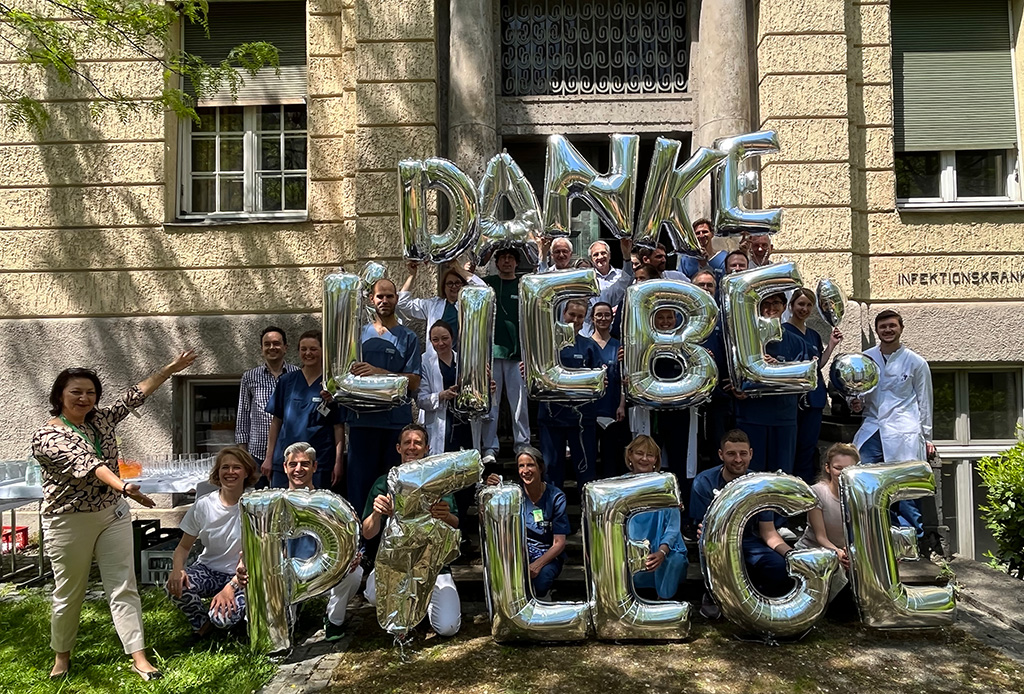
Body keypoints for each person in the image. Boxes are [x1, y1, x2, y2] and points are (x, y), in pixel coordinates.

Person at [31, 351, 197, 681]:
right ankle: (61, 658)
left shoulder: (101, 420)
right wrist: (124, 486)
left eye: (90, 392)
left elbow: (134, 396)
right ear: (59, 396)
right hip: (69, 521)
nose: (84, 398)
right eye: (76, 392)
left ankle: (139, 657)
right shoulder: (48, 436)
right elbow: (90, 466)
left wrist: (170, 369)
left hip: (111, 514)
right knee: (69, 592)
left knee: (123, 584)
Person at [362, 424, 461, 636]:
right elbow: (367, 533)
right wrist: (377, 513)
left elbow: (455, 524)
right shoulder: (383, 483)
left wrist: (446, 515)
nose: (412, 447)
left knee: (448, 628)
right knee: (372, 593)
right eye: (407, 442)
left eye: (418, 443)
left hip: (434, 569)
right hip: (395, 566)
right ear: (398, 448)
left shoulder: (440, 483)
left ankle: (421, 609)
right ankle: (406, 613)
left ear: (427, 449)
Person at [690, 430, 794, 617]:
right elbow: (701, 529)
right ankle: (715, 595)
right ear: (721, 455)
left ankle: (755, 598)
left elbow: (768, 532)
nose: (738, 459)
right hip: (718, 543)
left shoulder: (760, 484)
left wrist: (791, 555)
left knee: (780, 567)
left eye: (743, 454)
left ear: (751, 454)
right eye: (731, 454)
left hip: (751, 543)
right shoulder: (704, 482)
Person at [851, 309, 934, 537]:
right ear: (877, 330)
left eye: (892, 326)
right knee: (864, 479)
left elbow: (925, 400)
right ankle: (873, 535)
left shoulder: (916, 362)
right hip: (873, 426)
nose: (887, 330)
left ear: (901, 328)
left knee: (905, 487)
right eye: (883, 327)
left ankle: (910, 540)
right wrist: (854, 402)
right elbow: (857, 391)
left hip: (904, 429)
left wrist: (927, 438)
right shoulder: (865, 358)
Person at [343, 278, 423, 513]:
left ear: (397, 299)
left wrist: (379, 373)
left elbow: (414, 381)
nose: (384, 301)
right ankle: (362, 547)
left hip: (394, 425)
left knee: (393, 489)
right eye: (380, 296)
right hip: (362, 422)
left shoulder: (408, 337)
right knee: (359, 489)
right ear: (371, 299)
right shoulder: (357, 336)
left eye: (389, 296)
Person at [166, 447, 258, 638]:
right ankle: (204, 625)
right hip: (209, 569)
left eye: (236, 467)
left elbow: (259, 552)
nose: (230, 472)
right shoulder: (204, 505)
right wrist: (177, 570)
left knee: (222, 619)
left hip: (242, 576)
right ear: (218, 472)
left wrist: (230, 587)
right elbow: (183, 547)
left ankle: (219, 622)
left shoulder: (256, 505)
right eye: (225, 467)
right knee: (175, 585)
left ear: (246, 472)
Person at [281, 442, 363, 641]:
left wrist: (354, 556)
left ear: (315, 467)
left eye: (304, 464)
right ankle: (289, 618)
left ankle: (333, 620)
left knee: (355, 573)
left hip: (325, 573)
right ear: (285, 467)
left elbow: (351, 538)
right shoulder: (276, 504)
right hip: (289, 572)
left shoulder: (330, 503)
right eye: (293, 464)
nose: (298, 469)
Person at [732, 292, 807, 474]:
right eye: (765, 303)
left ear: (784, 307)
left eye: (776, 303)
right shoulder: (744, 338)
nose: (771, 308)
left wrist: (778, 369)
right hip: (751, 416)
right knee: (750, 474)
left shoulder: (796, 341)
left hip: (783, 418)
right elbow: (735, 372)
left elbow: (804, 380)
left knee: (781, 474)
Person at [264, 329, 344, 491]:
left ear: (323, 351)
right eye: (304, 349)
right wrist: (269, 458)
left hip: (318, 462)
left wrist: (338, 462)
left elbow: (338, 427)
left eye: (313, 349)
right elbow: (276, 422)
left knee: (315, 511)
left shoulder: (332, 386)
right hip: (286, 461)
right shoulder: (287, 382)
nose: (308, 353)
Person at [486, 446, 569, 598]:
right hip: (519, 553)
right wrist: (491, 488)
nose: (525, 470)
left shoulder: (556, 497)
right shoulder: (513, 494)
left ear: (540, 467)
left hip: (547, 554)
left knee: (541, 580)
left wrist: (537, 565)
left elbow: (559, 542)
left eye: (530, 465)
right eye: (521, 466)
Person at [537, 299, 600, 490]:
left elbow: (598, 380)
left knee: (586, 471)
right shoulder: (547, 344)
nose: (575, 320)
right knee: (551, 470)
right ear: (563, 314)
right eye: (572, 315)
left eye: (580, 316)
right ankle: (551, 517)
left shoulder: (589, 345)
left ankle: (589, 516)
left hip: (582, 419)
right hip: (551, 417)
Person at [785, 289, 843, 484]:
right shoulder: (783, 332)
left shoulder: (814, 335)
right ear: (791, 306)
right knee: (790, 447)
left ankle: (805, 488)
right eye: (801, 304)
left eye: (809, 305)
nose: (805, 309)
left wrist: (832, 346)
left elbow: (817, 365)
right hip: (793, 399)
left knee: (808, 447)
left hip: (814, 398)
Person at [623, 436, 688, 600]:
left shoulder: (666, 485)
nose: (644, 459)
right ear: (630, 455)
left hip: (664, 547)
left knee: (676, 560)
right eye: (639, 453)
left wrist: (661, 552)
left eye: (650, 455)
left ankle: (664, 600)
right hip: (630, 548)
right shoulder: (620, 486)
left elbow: (673, 527)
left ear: (656, 460)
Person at [482, 248, 531, 460]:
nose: (507, 261)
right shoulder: (488, 283)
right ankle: (489, 447)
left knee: (519, 404)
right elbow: (468, 279)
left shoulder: (524, 286)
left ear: (517, 263)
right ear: (497, 262)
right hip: (491, 354)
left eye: (511, 258)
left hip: (517, 355)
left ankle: (522, 444)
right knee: (491, 404)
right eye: (503, 258)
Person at [236, 326, 300, 486]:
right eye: (267, 344)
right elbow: (243, 415)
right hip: (256, 454)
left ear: (285, 347)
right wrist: (243, 455)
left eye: (277, 343)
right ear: (262, 349)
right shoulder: (250, 377)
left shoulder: (297, 375)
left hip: (290, 454)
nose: (272, 348)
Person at [796, 443, 859, 602]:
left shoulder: (863, 495)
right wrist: (838, 552)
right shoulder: (817, 492)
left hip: (847, 554)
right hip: (817, 551)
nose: (843, 474)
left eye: (848, 469)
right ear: (828, 468)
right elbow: (820, 537)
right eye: (838, 468)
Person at [398, 261, 480, 354]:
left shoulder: (471, 305)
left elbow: (482, 288)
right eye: (450, 283)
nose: (454, 286)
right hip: (436, 362)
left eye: (457, 283)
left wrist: (458, 268)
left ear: (463, 286)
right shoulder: (433, 305)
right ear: (443, 287)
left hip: (462, 361)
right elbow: (402, 303)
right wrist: (412, 275)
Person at [590, 302, 628, 478]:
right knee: (589, 461)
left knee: (611, 461)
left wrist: (621, 405)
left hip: (613, 410)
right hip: (590, 411)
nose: (603, 318)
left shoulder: (619, 346)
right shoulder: (586, 345)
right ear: (592, 318)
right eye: (599, 315)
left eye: (607, 315)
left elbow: (623, 378)